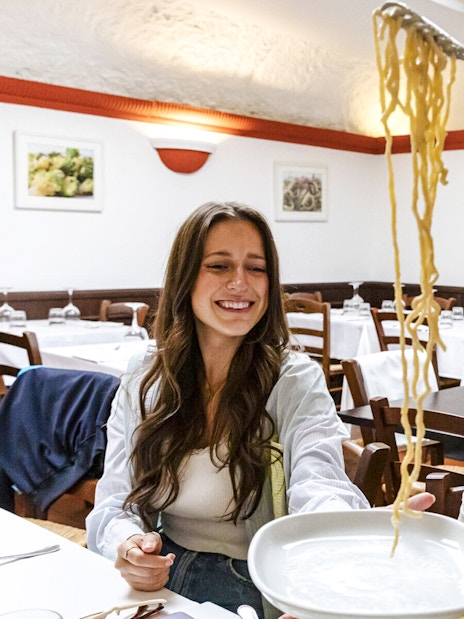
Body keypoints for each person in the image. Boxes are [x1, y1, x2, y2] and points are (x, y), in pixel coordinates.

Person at [86, 201, 435, 619]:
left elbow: (318, 479)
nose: (240, 283)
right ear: (185, 278)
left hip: (256, 582)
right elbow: (115, 502)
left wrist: (345, 531)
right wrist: (128, 546)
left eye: (256, 268)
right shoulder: (147, 378)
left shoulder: (293, 380)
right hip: (162, 581)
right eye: (218, 266)